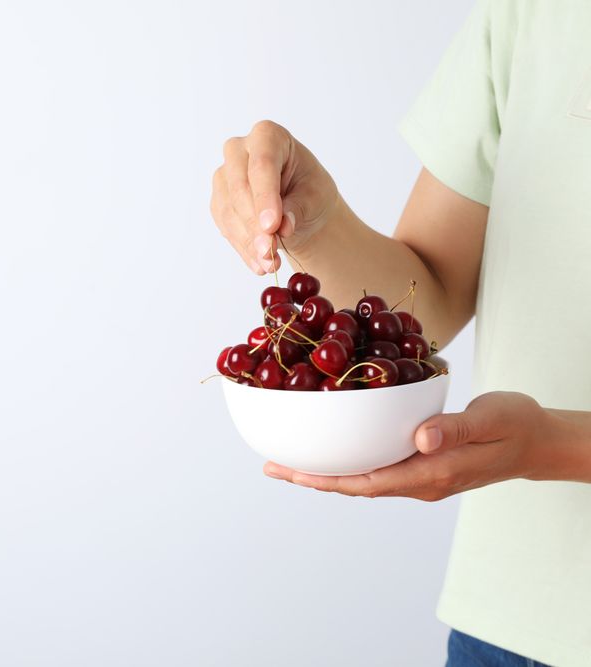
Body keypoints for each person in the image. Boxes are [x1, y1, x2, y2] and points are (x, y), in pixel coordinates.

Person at [209, 1, 591, 665]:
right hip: (504, 619)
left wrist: (549, 446)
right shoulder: (531, 12)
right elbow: (429, 296)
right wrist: (319, 222)